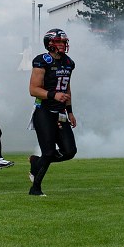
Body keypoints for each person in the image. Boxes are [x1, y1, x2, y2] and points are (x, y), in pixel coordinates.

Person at [27, 28, 77, 197]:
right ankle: (35, 188)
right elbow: (33, 90)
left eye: (64, 42)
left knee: (69, 151)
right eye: (59, 42)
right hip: (44, 110)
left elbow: (67, 87)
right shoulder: (42, 61)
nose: (62, 45)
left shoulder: (68, 62)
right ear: (50, 44)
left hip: (60, 112)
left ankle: (36, 161)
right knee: (48, 152)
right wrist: (53, 95)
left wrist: (70, 111)